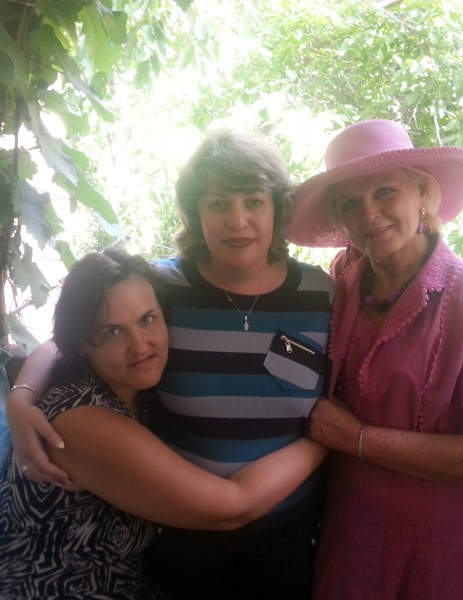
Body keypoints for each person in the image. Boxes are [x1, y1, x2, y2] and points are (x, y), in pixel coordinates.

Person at [7, 131, 335, 600]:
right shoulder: (163, 287)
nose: (237, 221)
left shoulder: (322, 296)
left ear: (277, 208)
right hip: (182, 535)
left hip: (287, 534)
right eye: (218, 204)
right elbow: (73, 338)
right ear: (196, 213)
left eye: (253, 201)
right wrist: (21, 399)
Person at [285, 119, 463, 600]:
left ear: (421, 192)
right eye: (350, 203)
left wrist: (356, 438)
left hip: (450, 541)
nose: (369, 213)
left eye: (385, 192)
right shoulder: (342, 280)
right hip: (352, 530)